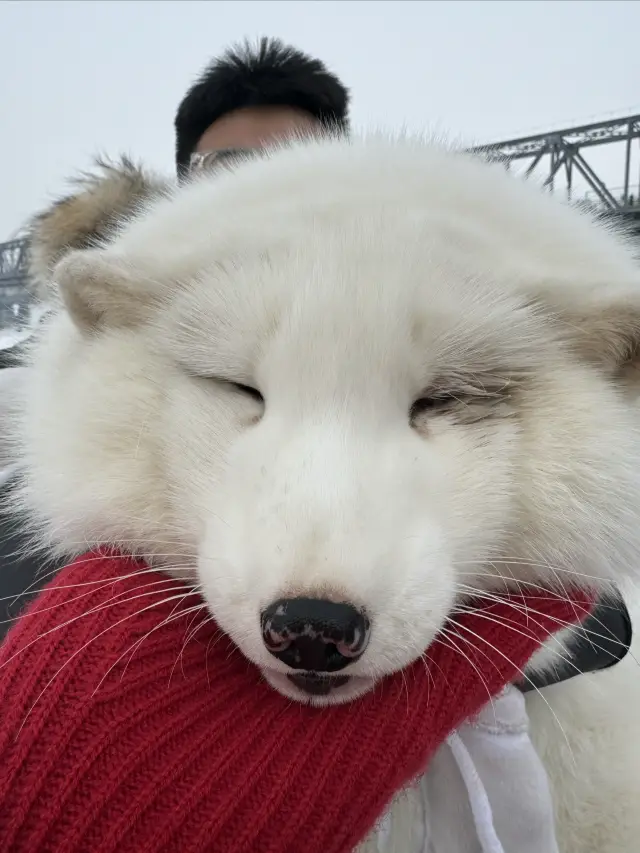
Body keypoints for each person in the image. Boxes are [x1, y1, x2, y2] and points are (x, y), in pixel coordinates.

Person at [0, 38, 350, 640]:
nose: (267, 195)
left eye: (299, 164)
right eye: (232, 170)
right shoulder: (81, 361)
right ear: (187, 183)